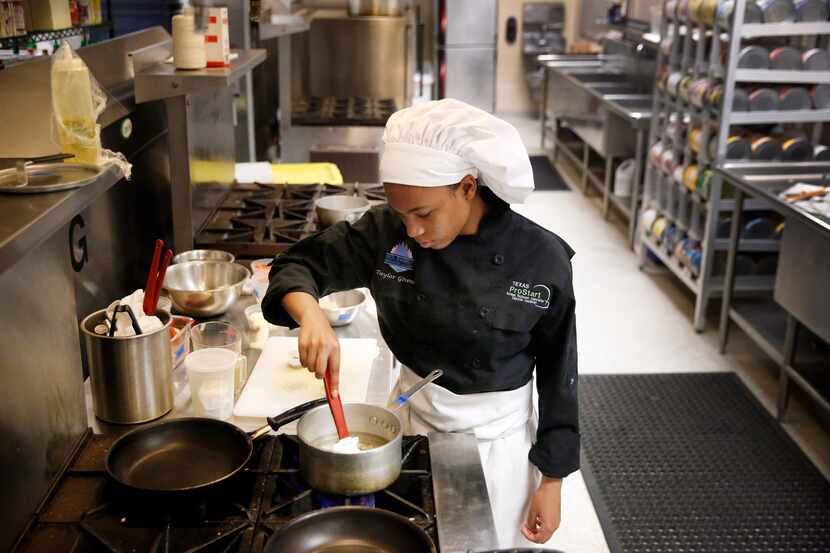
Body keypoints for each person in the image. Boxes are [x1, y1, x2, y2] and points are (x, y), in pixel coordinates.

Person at [262, 99, 579, 547]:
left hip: (498, 445)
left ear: (468, 187)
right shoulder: (386, 232)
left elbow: (559, 376)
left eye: (424, 214)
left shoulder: (539, 260)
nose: (411, 230)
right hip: (412, 431)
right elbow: (298, 265)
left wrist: (552, 480)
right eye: (401, 212)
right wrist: (310, 312)